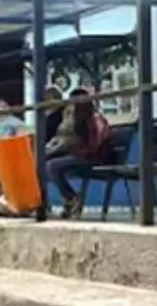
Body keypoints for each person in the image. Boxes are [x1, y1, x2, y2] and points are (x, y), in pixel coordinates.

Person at [44, 89, 114, 219]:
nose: (70, 106)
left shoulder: (93, 119)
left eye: (72, 103)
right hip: (82, 155)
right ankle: (65, 201)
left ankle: (71, 198)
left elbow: (94, 145)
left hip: (93, 158)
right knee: (45, 164)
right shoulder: (77, 118)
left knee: (52, 166)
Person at [0, 103, 31, 200]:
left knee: (0, 167)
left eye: (5, 106)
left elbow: (27, 131)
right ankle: (0, 192)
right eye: (0, 106)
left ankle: (4, 193)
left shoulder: (14, 121)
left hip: (5, 149)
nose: (2, 109)